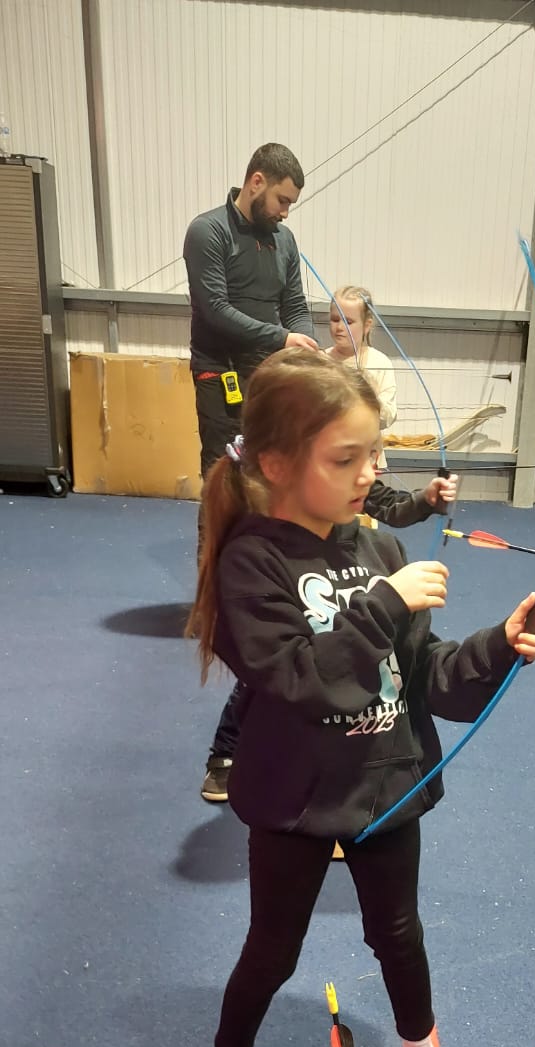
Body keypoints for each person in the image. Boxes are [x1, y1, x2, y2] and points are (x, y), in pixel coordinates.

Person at [185, 348, 535, 1047]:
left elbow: (429, 679)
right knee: (271, 948)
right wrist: (383, 605)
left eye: (375, 453)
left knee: (397, 935)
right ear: (277, 464)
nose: (370, 473)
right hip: (293, 796)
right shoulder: (253, 561)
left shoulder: (380, 548)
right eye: (345, 458)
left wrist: (500, 644)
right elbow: (297, 679)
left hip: (385, 783)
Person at [183, 141, 318, 800]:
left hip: (268, 374)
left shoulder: (283, 241)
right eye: (282, 199)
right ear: (255, 181)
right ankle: (213, 602)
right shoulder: (208, 232)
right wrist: (279, 338)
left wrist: (301, 344)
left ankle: (262, 583)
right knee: (225, 480)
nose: (286, 211)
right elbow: (214, 309)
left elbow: (295, 306)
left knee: (271, 484)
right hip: (220, 374)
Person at [325, 285, 397, 466]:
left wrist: (367, 399)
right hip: (329, 458)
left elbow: (389, 415)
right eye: (335, 319)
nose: (339, 327)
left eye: (348, 322)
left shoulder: (380, 363)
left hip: (368, 461)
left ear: (367, 325)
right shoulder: (321, 361)